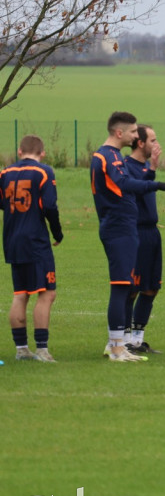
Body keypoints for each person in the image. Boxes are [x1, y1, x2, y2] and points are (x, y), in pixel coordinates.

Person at [92, 112, 165, 362]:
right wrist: (159, 184)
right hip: (120, 227)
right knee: (123, 287)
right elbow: (124, 183)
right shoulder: (109, 157)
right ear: (120, 133)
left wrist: (152, 172)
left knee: (138, 287)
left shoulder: (112, 156)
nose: (135, 136)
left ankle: (123, 344)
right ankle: (118, 346)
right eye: (133, 132)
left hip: (128, 227)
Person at [1, 135, 63, 362]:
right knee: (46, 293)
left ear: (19, 152)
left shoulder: (4, 173)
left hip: (12, 240)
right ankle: (42, 350)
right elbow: (49, 206)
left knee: (20, 294)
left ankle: (21, 349)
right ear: (42, 153)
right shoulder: (44, 172)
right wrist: (57, 233)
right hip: (35, 241)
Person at [123, 124, 165, 354]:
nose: (156, 144)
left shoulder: (146, 167)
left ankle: (138, 340)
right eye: (152, 140)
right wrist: (153, 170)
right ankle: (124, 339)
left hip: (152, 233)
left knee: (151, 288)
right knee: (132, 288)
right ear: (140, 143)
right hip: (136, 233)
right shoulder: (126, 167)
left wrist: (152, 168)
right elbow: (137, 190)